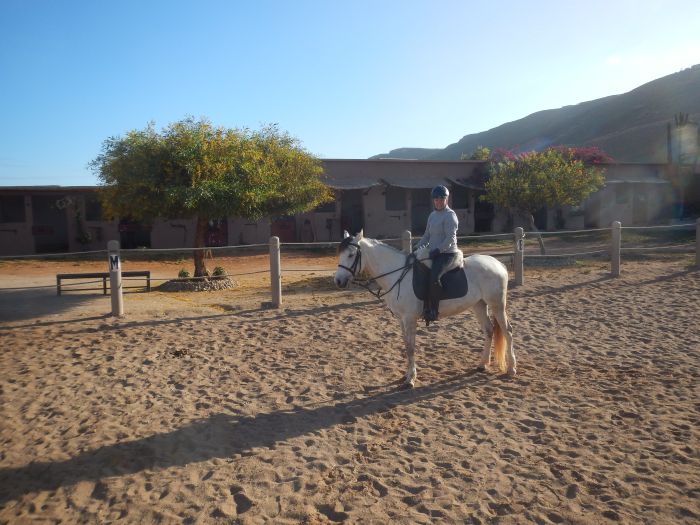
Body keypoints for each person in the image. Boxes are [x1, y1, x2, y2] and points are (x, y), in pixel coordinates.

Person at [416, 185, 460, 323]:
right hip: (433, 253)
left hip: (447, 254)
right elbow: (426, 236)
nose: (438, 201)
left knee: (435, 277)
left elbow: (450, 239)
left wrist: (438, 250)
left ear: (446, 199)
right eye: (436, 199)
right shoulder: (432, 215)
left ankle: (434, 310)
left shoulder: (450, 215)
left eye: (441, 198)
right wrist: (416, 247)